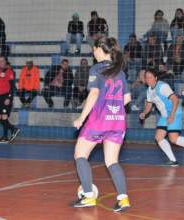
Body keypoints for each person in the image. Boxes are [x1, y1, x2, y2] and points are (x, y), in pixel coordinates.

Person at [72, 37, 131, 212]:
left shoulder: (96, 68)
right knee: (112, 161)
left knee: (80, 155)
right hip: (118, 122)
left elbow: (94, 93)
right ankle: (123, 199)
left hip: (99, 120)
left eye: (94, 48)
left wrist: (81, 118)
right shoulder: (119, 72)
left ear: (99, 49)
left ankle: (89, 196)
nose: (92, 51)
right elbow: (126, 99)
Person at [139, 68, 184, 167]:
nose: (148, 79)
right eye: (146, 77)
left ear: (155, 78)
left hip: (174, 112)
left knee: (173, 139)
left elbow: (175, 99)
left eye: (150, 77)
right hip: (164, 115)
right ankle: (173, 161)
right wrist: (144, 113)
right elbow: (149, 105)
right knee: (159, 137)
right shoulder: (149, 90)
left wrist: (172, 115)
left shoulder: (162, 86)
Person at [0, 55, 20, 144]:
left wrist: (9, 98)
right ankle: (13, 129)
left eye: (2, 61)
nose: (1, 62)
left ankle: (5, 137)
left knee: (4, 117)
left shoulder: (9, 71)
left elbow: (12, 87)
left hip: (6, 96)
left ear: (5, 61)